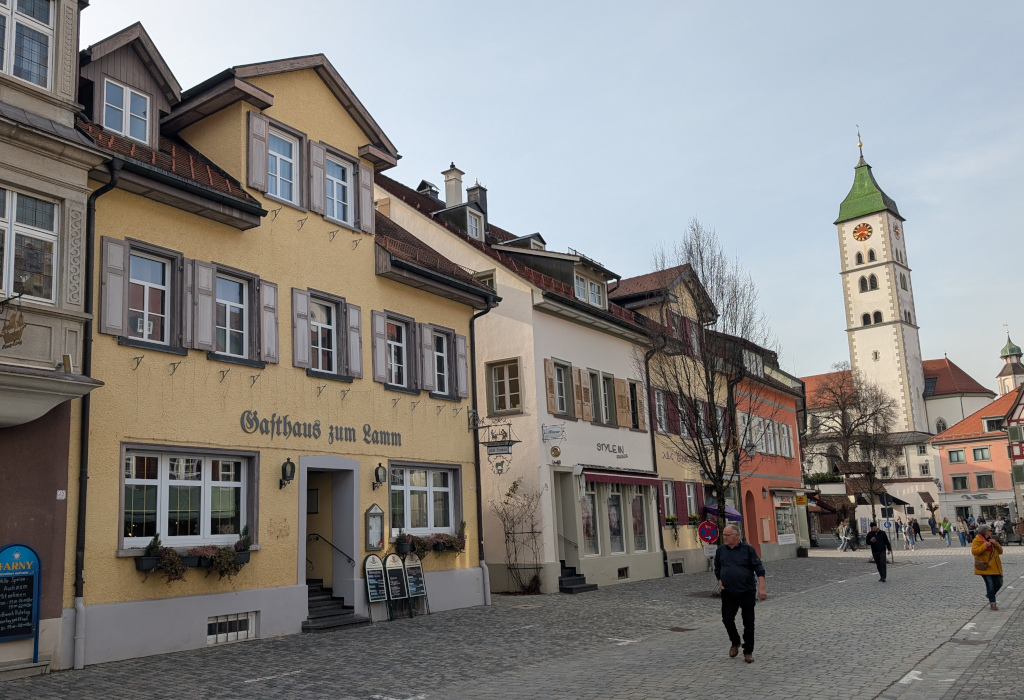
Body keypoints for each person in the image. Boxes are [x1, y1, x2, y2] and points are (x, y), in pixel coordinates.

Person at [715, 525, 767, 663]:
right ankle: (735, 641)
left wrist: (762, 588)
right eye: (723, 535)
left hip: (746, 591)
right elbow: (717, 568)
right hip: (728, 592)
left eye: (727, 535)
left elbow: (759, 570)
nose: (724, 538)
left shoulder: (748, 550)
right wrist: (719, 580)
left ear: (736, 536)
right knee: (727, 618)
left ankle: (748, 651)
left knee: (748, 622)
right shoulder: (721, 550)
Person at [972, 525, 1004, 610]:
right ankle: (993, 603)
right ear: (985, 531)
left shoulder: (992, 538)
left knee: (999, 583)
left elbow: (1000, 551)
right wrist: (984, 546)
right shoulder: (977, 540)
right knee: (990, 585)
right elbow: (974, 551)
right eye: (990, 530)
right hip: (985, 566)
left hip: (995, 566)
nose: (991, 532)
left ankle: (990, 594)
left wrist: (996, 544)